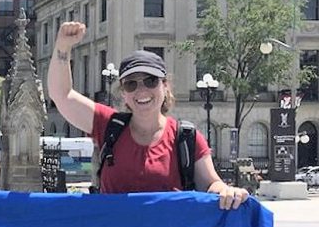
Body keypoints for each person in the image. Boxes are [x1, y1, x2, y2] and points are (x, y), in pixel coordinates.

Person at [48, 22, 249, 209]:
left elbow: (210, 184)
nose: (141, 90)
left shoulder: (187, 138)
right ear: (123, 93)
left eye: (150, 81)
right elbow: (62, 94)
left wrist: (226, 191)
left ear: (165, 86)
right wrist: (62, 48)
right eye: (131, 84)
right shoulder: (108, 125)